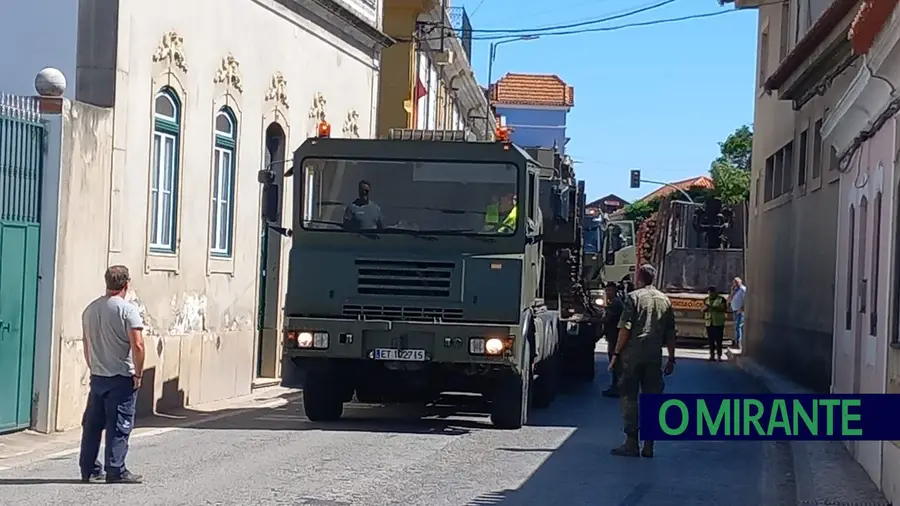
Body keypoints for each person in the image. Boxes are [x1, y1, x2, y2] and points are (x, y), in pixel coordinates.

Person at [79, 265, 145, 484]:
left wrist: (94, 367)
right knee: (119, 424)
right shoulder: (127, 310)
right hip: (121, 377)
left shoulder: (90, 310)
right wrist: (138, 373)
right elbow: (137, 344)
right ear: (126, 284)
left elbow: (86, 344)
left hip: (98, 376)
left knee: (92, 425)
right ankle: (115, 469)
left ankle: (88, 468)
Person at [608, 264, 676, 458]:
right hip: (654, 356)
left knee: (629, 398)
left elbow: (625, 328)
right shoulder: (665, 300)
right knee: (652, 399)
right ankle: (649, 445)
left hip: (632, 357)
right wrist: (671, 358)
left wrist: (616, 354)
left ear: (639, 277)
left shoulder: (633, 297)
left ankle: (631, 443)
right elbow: (671, 332)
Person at [601, 281, 625, 397]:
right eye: (606, 291)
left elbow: (606, 319)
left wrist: (590, 320)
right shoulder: (614, 302)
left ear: (615, 291)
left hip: (615, 337)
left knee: (615, 363)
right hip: (614, 336)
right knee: (616, 363)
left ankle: (617, 387)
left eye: (610, 290)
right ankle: (616, 386)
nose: (608, 293)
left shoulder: (615, 303)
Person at [703, 285, 728, 361]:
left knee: (719, 340)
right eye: (709, 292)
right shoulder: (706, 300)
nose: (710, 294)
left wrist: (713, 308)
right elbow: (703, 309)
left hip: (718, 323)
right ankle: (712, 355)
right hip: (709, 323)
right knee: (710, 340)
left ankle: (719, 356)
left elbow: (724, 308)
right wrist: (705, 309)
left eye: (712, 292)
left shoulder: (721, 299)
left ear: (715, 292)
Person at [729, 277, 746, 350]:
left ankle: (738, 343)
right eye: (734, 282)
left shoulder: (743, 289)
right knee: (735, 326)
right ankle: (735, 341)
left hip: (739, 310)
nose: (735, 284)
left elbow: (745, 300)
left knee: (738, 326)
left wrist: (742, 309)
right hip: (735, 309)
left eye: (736, 282)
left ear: (740, 282)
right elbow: (730, 298)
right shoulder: (735, 290)